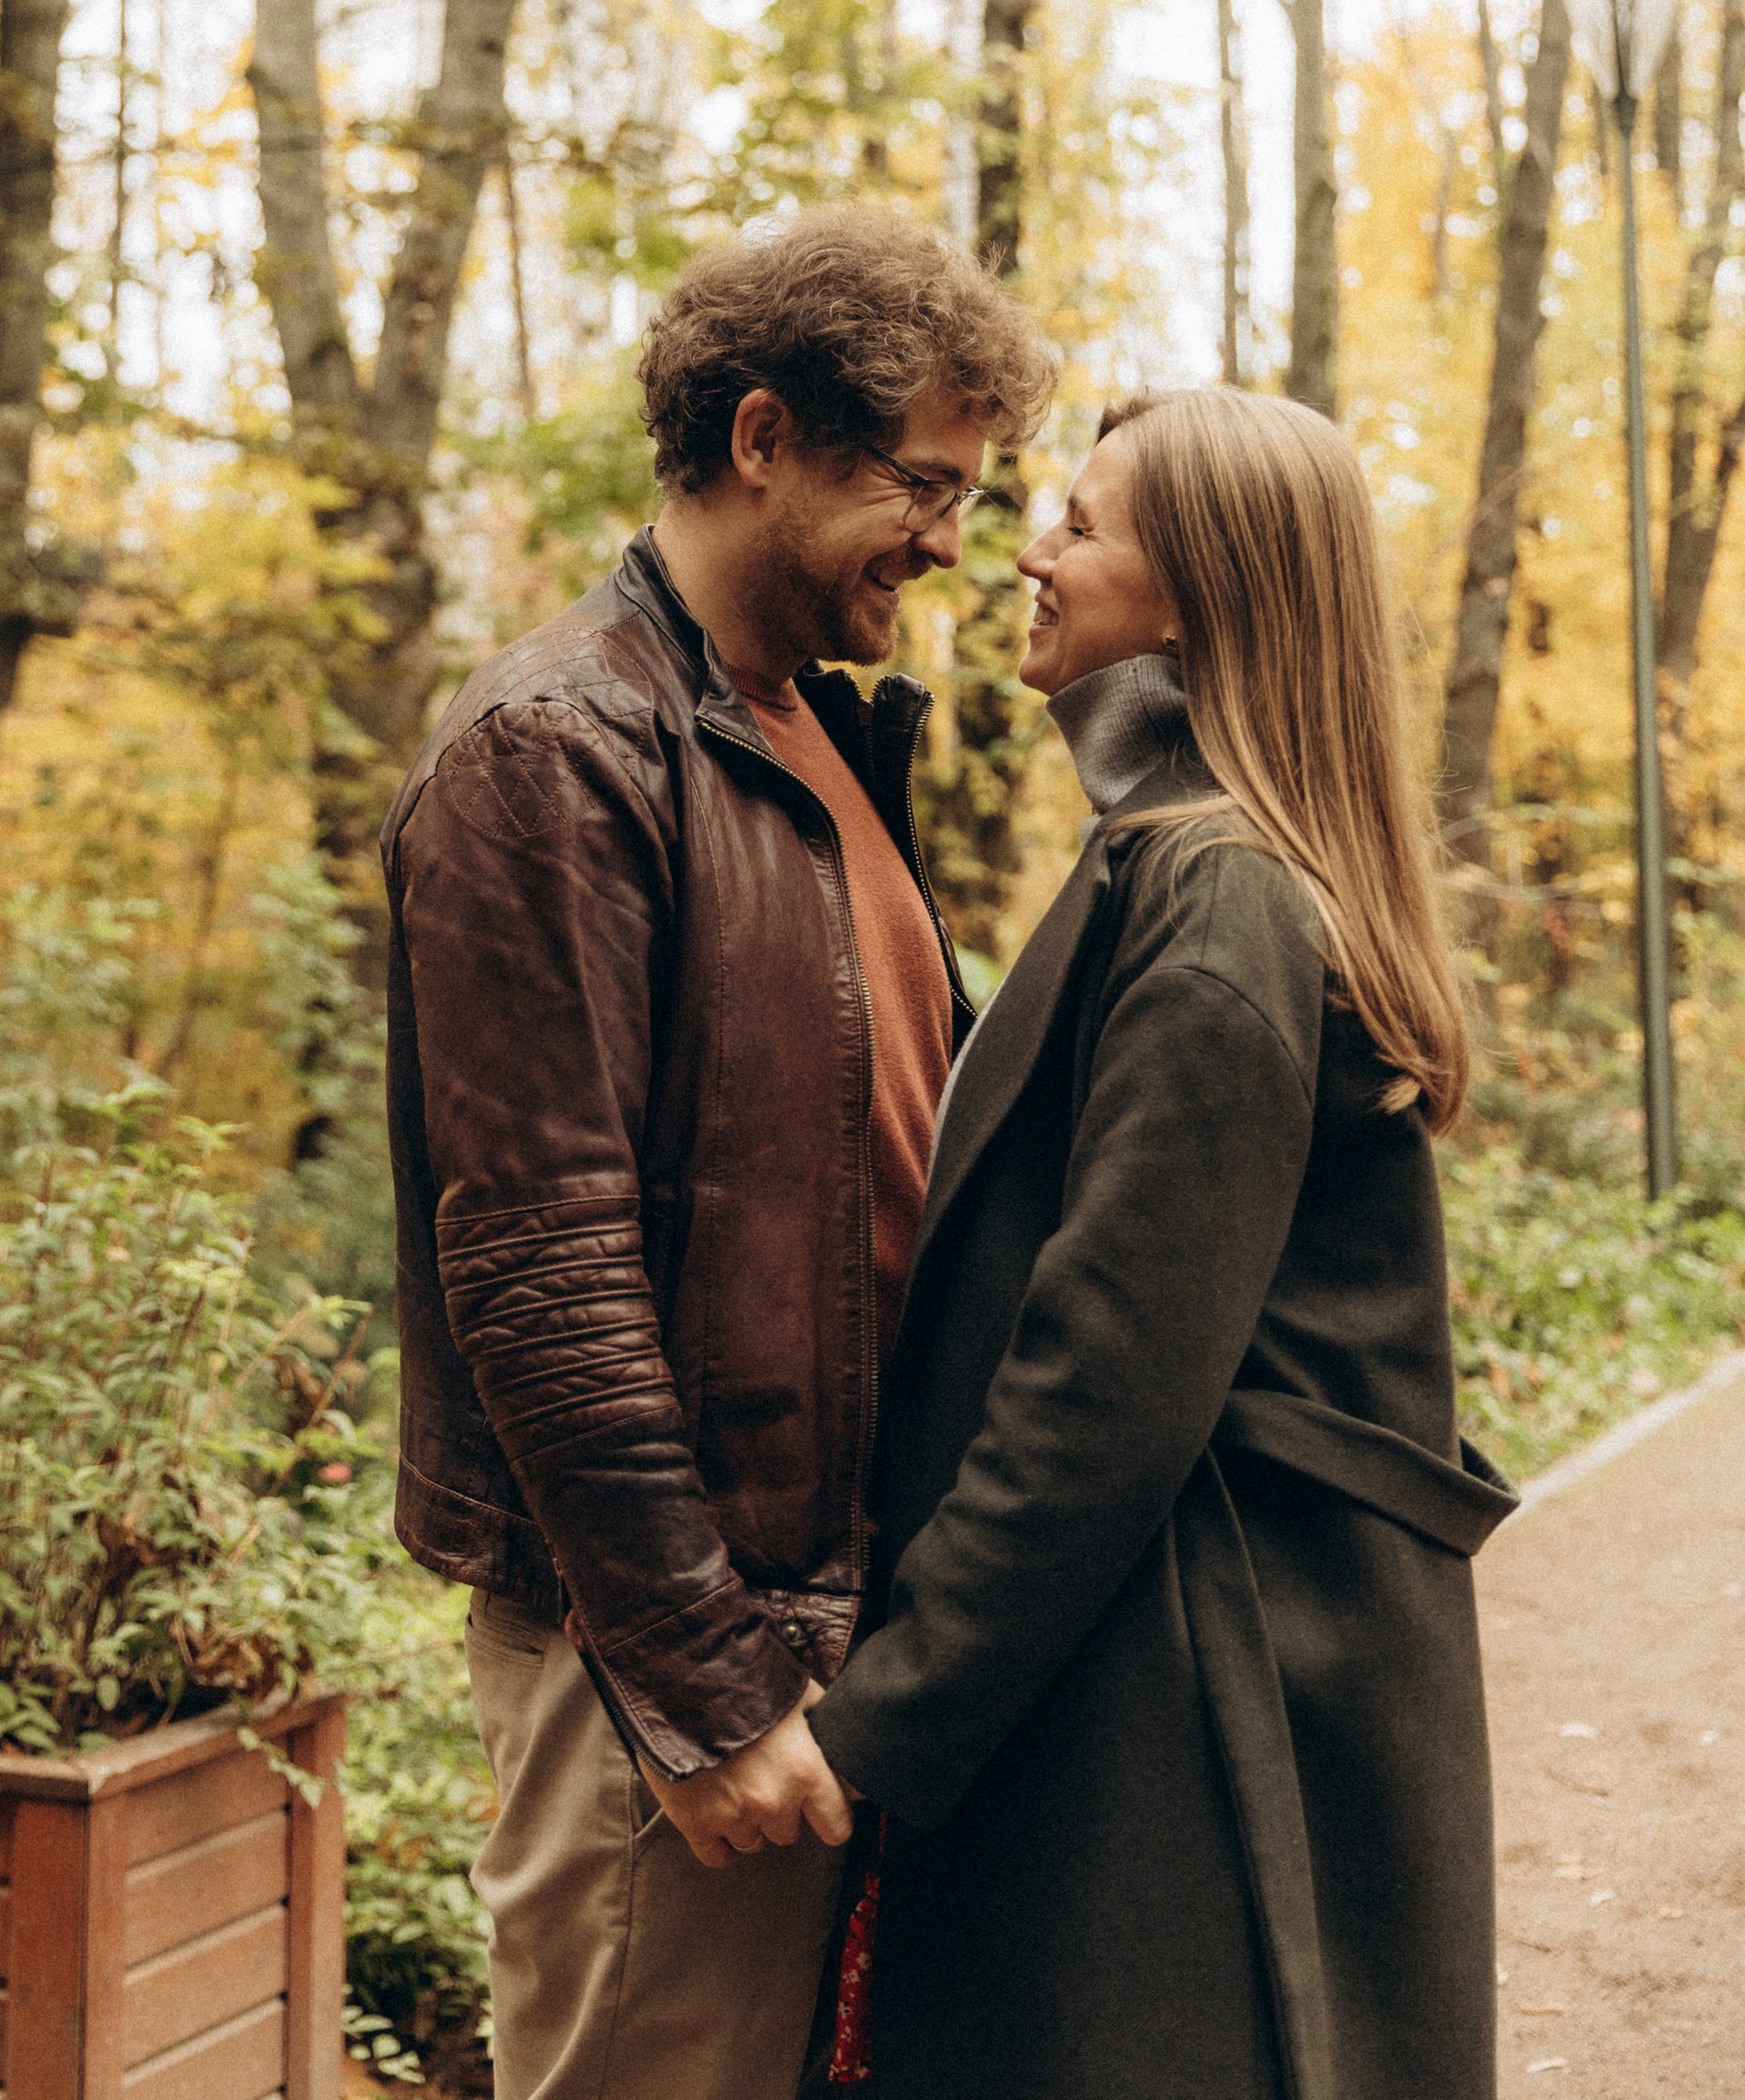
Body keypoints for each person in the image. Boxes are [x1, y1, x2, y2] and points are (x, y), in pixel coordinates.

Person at [382, 208, 1057, 2100]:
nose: (948, 538)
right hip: (668, 1655)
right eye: (920, 485)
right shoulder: (553, 753)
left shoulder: (794, 735)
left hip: (817, 1614)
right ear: (762, 438)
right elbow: (538, 1265)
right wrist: (703, 1689)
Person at [807, 387, 1515, 2100]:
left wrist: (884, 1720)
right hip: (1178, 1659)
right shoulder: (1172, 860)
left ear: (1198, 593)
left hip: (1197, 1694)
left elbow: (1106, 1382)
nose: (1024, 553)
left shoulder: (1217, 898)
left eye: (1082, 524)